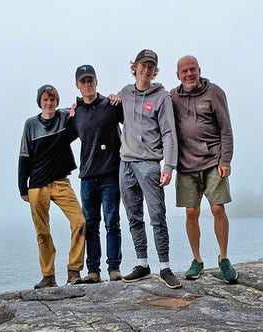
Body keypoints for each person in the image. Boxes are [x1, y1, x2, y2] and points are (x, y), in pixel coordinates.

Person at [116, 49, 181, 289]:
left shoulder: (162, 97)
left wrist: (169, 166)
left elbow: (168, 133)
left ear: (155, 70)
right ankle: (142, 264)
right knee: (134, 217)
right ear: (135, 67)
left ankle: (164, 267)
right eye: (143, 65)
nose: (147, 69)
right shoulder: (125, 93)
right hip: (126, 164)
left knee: (157, 216)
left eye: (151, 66)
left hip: (150, 164)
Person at [169, 55, 237, 283]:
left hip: (213, 161)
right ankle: (197, 261)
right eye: (184, 71)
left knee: (218, 208)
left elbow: (226, 128)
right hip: (186, 165)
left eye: (192, 69)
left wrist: (225, 160)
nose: (189, 74)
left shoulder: (214, 93)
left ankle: (224, 258)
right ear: (178, 75)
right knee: (191, 212)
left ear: (199, 70)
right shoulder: (172, 97)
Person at [18, 84, 86, 288]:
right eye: (45, 100)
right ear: (40, 102)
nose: (49, 103)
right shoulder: (30, 124)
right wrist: (23, 187)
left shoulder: (64, 117)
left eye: (52, 100)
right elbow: (23, 156)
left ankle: (74, 271)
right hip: (37, 184)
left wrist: (79, 106)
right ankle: (48, 276)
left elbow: (80, 109)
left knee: (80, 222)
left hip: (60, 182)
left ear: (57, 102)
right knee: (42, 232)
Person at [71, 65, 124, 283]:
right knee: (90, 224)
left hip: (110, 173)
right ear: (77, 85)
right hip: (87, 177)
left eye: (90, 80)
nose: (88, 84)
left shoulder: (110, 105)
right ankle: (93, 270)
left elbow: (133, 121)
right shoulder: (74, 113)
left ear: (96, 81)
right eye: (83, 81)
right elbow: (60, 139)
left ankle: (114, 268)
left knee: (112, 222)